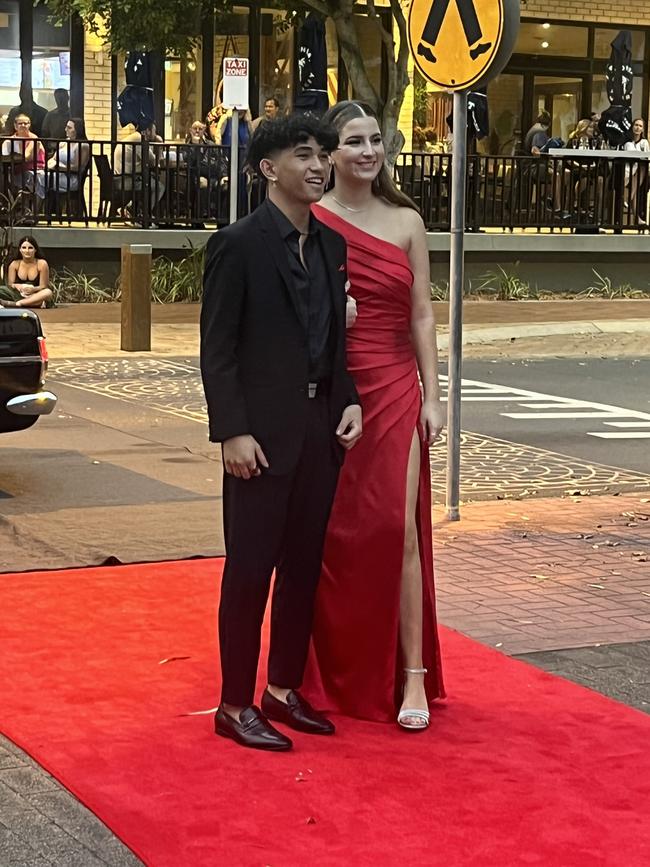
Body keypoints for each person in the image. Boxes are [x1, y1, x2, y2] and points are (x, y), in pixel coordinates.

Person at [200, 114, 362, 752]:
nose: (320, 165)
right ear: (268, 168)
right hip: (259, 441)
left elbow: (332, 339)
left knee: (302, 569)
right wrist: (232, 432)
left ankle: (284, 689)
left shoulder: (330, 244)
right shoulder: (237, 245)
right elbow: (218, 350)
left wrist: (347, 400)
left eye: (324, 154)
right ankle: (233, 702)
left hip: (321, 433)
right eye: (305, 155)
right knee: (249, 571)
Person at [302, 100, 445, 729]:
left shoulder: (408, 221)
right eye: (354, 142)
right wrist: (334, 321)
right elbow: (288, 312)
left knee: (398, 529)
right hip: (334, 386)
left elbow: (422, 314)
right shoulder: (309, 218)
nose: (368, 151)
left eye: (375, 140)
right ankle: (324, 670)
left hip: (395, 386)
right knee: (333, 532)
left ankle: (410, 675)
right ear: (329, 153)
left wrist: (435, 396)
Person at [113, 122, 166, 220]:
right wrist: (159, 145)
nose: (155, 134)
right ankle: (144, 214)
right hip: (127, 180)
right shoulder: (139, 139)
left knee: (151, 180)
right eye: (154, 131)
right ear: (147, 131)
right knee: (159, 187)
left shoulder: (134, 137)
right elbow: (153, 162)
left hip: (120, 177)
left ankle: (133, 209)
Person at [1, 113, 46, 206]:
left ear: (29, 125)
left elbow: (27, 157)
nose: (23, 125)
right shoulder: (9, 141)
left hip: (35, 170)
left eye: (26, 123)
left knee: (38, 179)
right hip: (14, 171)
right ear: (15, 125)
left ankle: (35, 214)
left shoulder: (34, 139)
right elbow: (5, 158)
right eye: (20, 123)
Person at [0, 236, 52, 309]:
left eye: (30, 248)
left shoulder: (42, 264)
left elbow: (43, 286)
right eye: (24, 248)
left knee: (48, 292)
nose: (27, 251)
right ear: (20, 250)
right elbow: (10, 284)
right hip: (17, 294)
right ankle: (33, 303)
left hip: (35, 295)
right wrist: (18, 286)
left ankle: (18, 304)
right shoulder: (14, 264)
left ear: (35, 250)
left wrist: (33, 289)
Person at [47, 117, 90, 192]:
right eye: (66, 127)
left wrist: (58, 167)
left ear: (77, 130)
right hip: (57, 173)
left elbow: (77, 167)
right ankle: (43, 202)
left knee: (39, 178)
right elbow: (53, 158)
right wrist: (49, 164)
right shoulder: (64, 143)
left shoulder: (83, 145)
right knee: (34, 175)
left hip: (71, 178)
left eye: (69, 128)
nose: (65, 129)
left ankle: (40, 203)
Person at [623, 117, 649, 225]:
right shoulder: (627, 142)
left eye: (640, 126)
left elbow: (647, 157)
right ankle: (636, 218)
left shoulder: (644, 142)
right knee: (637, 176)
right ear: (632, 126)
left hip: (640, 174)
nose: (638, 128)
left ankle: (628, 198)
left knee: (642, 167)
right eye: (636, 125)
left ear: (643, 130)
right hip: (627, 172)